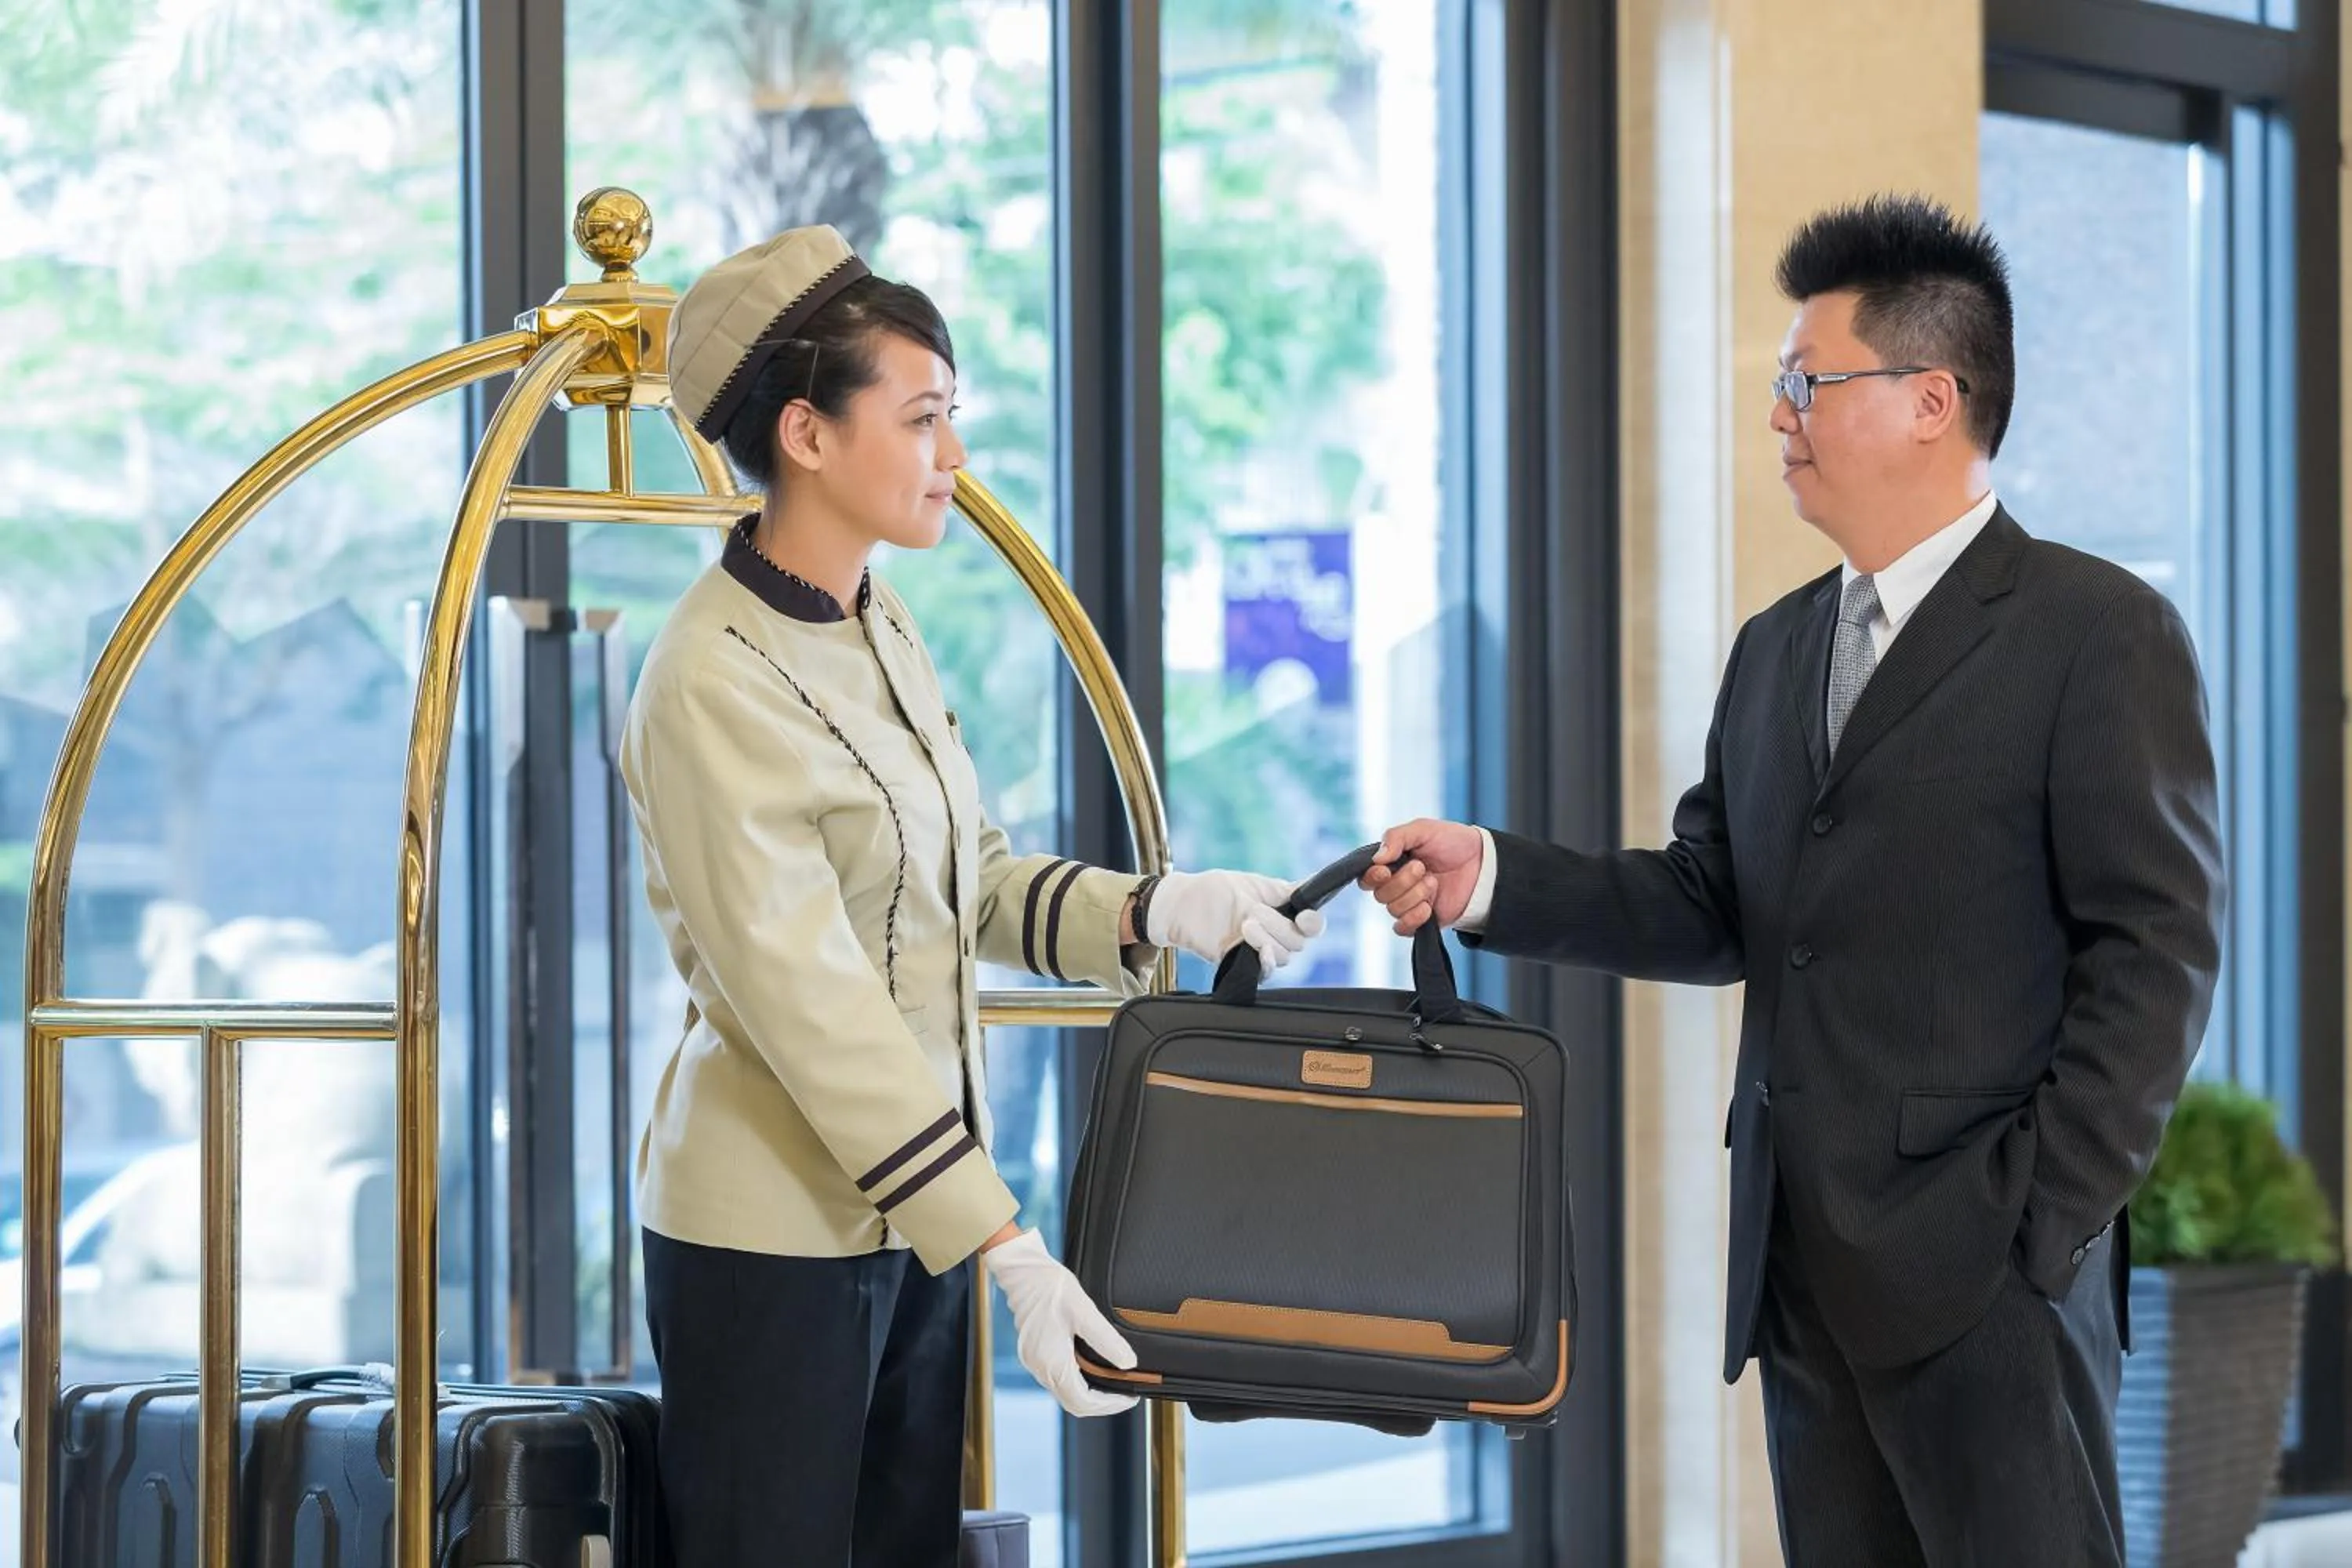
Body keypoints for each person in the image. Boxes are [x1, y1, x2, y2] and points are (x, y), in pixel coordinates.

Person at [1363, 194, 2224, 1567]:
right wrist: (1493, 881)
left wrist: (2044, 1218)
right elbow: (1717, 904)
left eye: (1805, 382)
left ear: (1932, 398)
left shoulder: (2098, 633)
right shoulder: (1777, 647)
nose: (1780, 415)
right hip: (1799, 1274)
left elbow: (2160, 953)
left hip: (1991, 1277)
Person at [625, 223, 1326, 1566]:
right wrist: (1002, 1240)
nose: (955, 457)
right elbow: (809, 1001)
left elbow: (972, 880)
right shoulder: (708, 678)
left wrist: (1157, 909)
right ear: (808, 435)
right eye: (925, 417)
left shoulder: (877, 621)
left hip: (919, 1214)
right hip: (774, 1233)